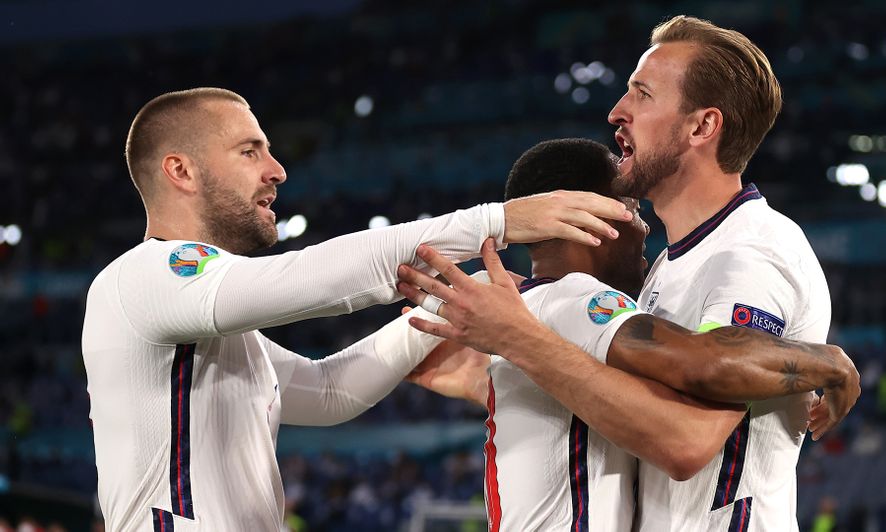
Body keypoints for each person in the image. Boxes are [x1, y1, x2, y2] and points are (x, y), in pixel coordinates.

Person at [80, 87, 633, 531]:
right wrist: (496, 222)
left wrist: (440, 310)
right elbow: (304, 279)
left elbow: (328, 392)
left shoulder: (203, 323)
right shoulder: (144, 277)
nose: (277, 169)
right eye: (249, 151)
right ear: (180, 171)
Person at [396, 16, 858, 532]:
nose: (617, 111)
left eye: (643, 94)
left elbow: (686, 441)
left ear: (702, 127)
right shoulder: (671, 263)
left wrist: (520, 339)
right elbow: (635, 406)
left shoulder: (750, 252)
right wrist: (505, 375)